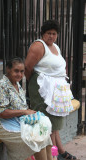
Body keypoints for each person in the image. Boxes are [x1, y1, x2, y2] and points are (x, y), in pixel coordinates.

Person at [25, 20, 77, 160]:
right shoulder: (38, 46)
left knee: (54, 126)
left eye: (54, 34)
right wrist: (36, 85)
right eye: (49, 33)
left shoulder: (56, 47)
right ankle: (53, 157)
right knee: (47, 127)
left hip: (57, 92)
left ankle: (56, 153)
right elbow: (28, 68)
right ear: (43, 34)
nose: (51, 36)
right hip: (43, 90)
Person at [0, 57, 52, 160]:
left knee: (43, 134)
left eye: (22, 71)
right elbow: (0, 112)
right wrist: (24, 111)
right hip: (1, 124)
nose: (19, 74)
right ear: (8, 69)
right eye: (16, 71)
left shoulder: (17, 84)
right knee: (33, 138)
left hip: (18, 121)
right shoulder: (2, 86)